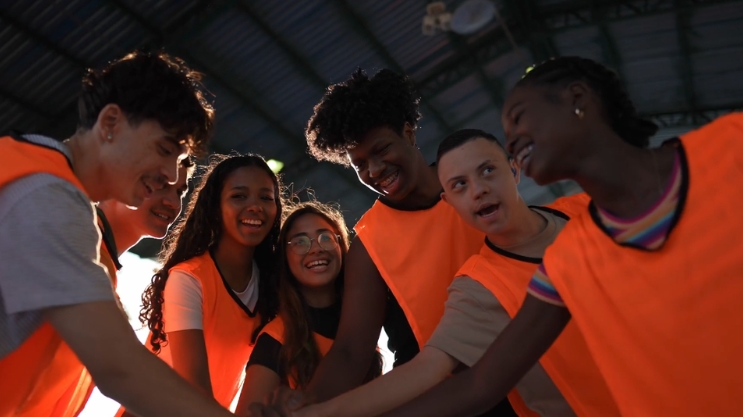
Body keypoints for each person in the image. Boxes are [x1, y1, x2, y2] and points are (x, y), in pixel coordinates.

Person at [378, 57, 743, 417]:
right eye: (459, 184)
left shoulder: (730, 146)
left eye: (519, 117)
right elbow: (481, 385)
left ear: (577, 98)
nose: (513, 138)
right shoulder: (569, 257)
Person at [0, 51, 233, 417]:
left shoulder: (22, 168)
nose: (171, 176)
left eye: (178, 163)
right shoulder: (44, 196)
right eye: (164, 150)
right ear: (110, 122)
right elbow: (119, 368)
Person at [293, 129, 619, 417]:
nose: (477, 190)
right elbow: (441, 373)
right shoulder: (478, 287)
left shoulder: (587, 214)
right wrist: (316, 411)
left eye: (488, 171)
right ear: (447, 200)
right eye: (460, 185)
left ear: (514, 169)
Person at [250, 68, 515, 417]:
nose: (374, 170)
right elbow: (350, 351)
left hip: (529, 369)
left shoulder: (472, 190)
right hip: (449, 398)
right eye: (359, 165)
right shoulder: (369, 243)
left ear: (408, 132)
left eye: (381, 150)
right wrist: (304, 404)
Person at [14, 157, 195, 417]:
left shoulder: (101, 266)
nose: (172, 202)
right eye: (160, 184)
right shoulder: (76, 250)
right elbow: (121, 371)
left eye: (179, 191)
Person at [136, 154, 284, 412]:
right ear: (215, 207)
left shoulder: (272, 289)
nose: (255, 206)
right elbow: (195, 389)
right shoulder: (188, 279)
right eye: (239, 196)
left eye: (265, 198)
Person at [236, 201, 382, 414]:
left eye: (326, 238)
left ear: (341, 247)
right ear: (284, 260)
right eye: (300, 242)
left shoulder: (364, 319)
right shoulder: (276, 338)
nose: (316, 249)